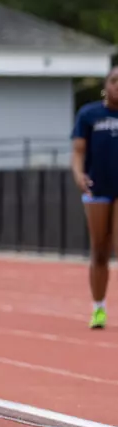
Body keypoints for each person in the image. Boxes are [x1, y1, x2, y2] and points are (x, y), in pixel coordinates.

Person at [72, 65, 118, 329]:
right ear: (106, 84)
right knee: (99, 250)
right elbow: (78, 151)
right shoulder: (89, 114)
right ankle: (98, 307)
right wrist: (78, 174)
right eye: (114, 80)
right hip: (97, 187)